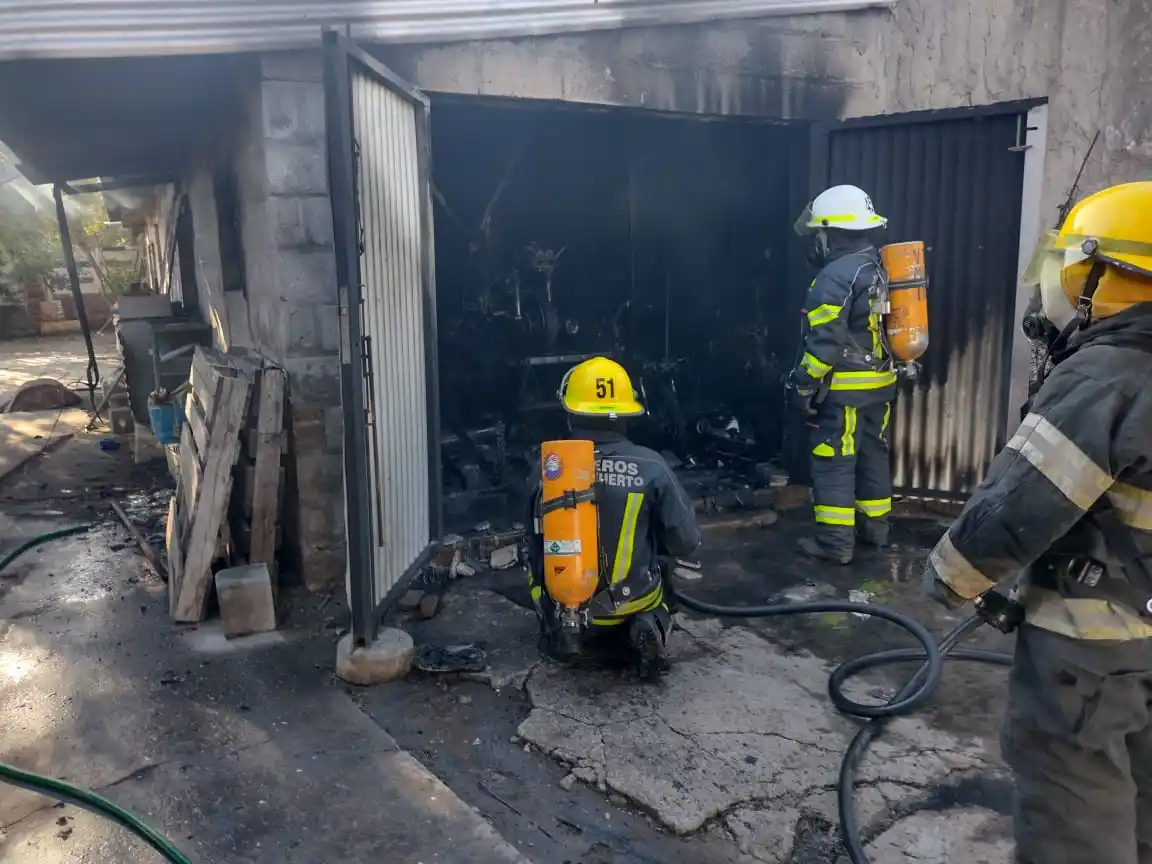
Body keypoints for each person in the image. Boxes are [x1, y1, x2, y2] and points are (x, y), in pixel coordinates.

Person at [923, 181, 1152, 863]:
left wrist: (949, 578)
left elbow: (1017, 508)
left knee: (1076, 819)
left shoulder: (1107, 376)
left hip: (1092, 653)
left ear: (1098, 274)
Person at [525, 356, 701, 679]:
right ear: (626, 415)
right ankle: (651, 625)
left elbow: (532, 540)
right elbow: (686, 543)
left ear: (571, 412)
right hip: (632, 601)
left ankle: (559, 630)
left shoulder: (547, 468)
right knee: (663, 579)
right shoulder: (652, 466)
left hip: (568, 607)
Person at [788, 184, 897, 565]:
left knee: (834, 459)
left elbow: (825, 342)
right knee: (872, 456)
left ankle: (834, 544)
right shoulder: (877, 266)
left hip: (844, 390)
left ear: (828, 233)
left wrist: (803, 385)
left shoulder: (835, 276)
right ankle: (876, 532)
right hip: (880, 386)